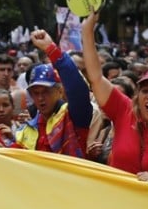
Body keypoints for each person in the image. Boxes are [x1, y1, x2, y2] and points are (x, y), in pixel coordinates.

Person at [81, 11, 148, 181]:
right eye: (145, 91)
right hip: (116, 202)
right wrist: (87, 32)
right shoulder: (124, 110)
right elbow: (96, 78)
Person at [14, 29, 93, 158]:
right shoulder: (26, 130)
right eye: (35, 93)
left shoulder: (73, 117)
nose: (40, 98)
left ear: (60, 91)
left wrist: (51, 49)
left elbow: (78, 89)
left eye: (46, 92)